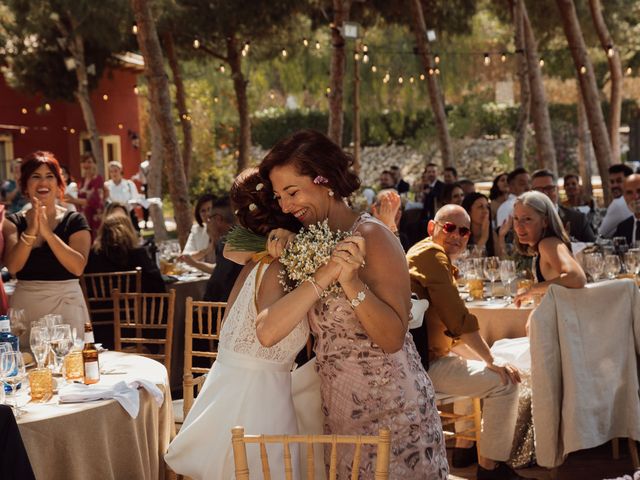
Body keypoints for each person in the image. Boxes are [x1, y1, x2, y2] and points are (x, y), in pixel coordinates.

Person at [257, 129, 448, 479]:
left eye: (292, 192)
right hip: (341, 409)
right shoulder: (309, 241)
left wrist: (351, 281)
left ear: (325, 180)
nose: (284, 206)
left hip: (394, 413)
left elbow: (392, 338)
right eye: (278, 196)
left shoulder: (374, 237)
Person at [165, 168, 308, 480]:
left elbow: (231, 248)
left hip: (234, 395)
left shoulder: (255, 261)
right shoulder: (272, 265)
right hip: (257, 406)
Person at [406, 204, 524, 480]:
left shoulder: (425, 251)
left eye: (464, 231)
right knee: (505, 382)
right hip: (420, 365)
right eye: (449, 227)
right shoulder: (430, 255)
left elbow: (448, 326)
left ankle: (465, 448)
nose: (457, 235)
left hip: (419, 358)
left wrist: (482, 356)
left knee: (472, 359)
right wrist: (491, 361)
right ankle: (491, 468)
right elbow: (457, 317)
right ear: (431, 228)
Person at [2, 151, 91, 347]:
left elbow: (77, 267)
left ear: (58, 183)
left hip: (67, 307)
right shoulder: (13, 222)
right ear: (25, 184)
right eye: (36, 176)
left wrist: (49, 234)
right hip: (26, 309)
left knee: (70, 369)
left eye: (49, 176)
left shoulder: (75, 221)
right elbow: (14, 267)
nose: (43, 182)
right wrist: (32, 229)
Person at [512, 191, 586, 307]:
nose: (518, 226)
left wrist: (532, 289)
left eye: (527, 219)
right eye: (516, 218)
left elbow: (577, 277)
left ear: (545, 222)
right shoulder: (543, 246)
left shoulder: (548, 244)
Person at [85, 211, 165, 293]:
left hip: (100, 305)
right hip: (135, 304)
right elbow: (157, 282)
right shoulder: (137, 254)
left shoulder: (93, 256)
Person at [530, 169, 596, 243]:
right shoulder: (523, 220)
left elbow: (594, 249)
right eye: (538, 190)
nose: (544, 193)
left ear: (557, 189)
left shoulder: (578, 220)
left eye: (549, 188)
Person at [202, 196, 243, 302]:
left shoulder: (228, 242)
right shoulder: (245, 237)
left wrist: (204, 307)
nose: (208, 223)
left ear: (218, 219)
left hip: (227, 308)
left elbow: (217, 283)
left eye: (209, 219)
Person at [67, 153, 105, 237]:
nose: (86, 165)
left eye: (89, 162)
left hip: (94, 218)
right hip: (83, 217)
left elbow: (95, 201)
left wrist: (73, 200)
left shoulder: (97, 179)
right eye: (84, 162)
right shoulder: (82, 180)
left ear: (95, 164)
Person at [179, 194, 216, 274]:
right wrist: (206, 251)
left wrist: (194, 262)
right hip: (200, 276)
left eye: (210, 209)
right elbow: (185, 257)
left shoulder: (226, 231)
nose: (207, 214)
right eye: (203, 211)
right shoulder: (197, 230)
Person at [104, 161, 141, 230]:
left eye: (115, 171)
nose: (113, 173)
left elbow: (135, 198)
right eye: (111, 171)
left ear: (120, 171)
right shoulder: (106, 185)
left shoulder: (129, 184)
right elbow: (106, 200)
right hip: (113, 216)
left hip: (129, 215)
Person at [599, 164, 634, 237]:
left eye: (619, 181)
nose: (614, 185)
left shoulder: (618, 204)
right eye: (612, 182)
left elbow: (601, 234)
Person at [462, 192, 499, 257]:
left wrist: (501, 236)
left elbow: (502, 262)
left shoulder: (493, 235)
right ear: (468, 211)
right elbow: (469, 264)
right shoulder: (460, 235)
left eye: (487, 207)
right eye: (480, 207)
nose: (485, 211)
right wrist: (483, 239)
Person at [612, 174, 640, 246]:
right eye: (629, 192)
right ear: (624, 198)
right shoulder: (623, 227)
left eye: (639, 191)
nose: (635, 197)